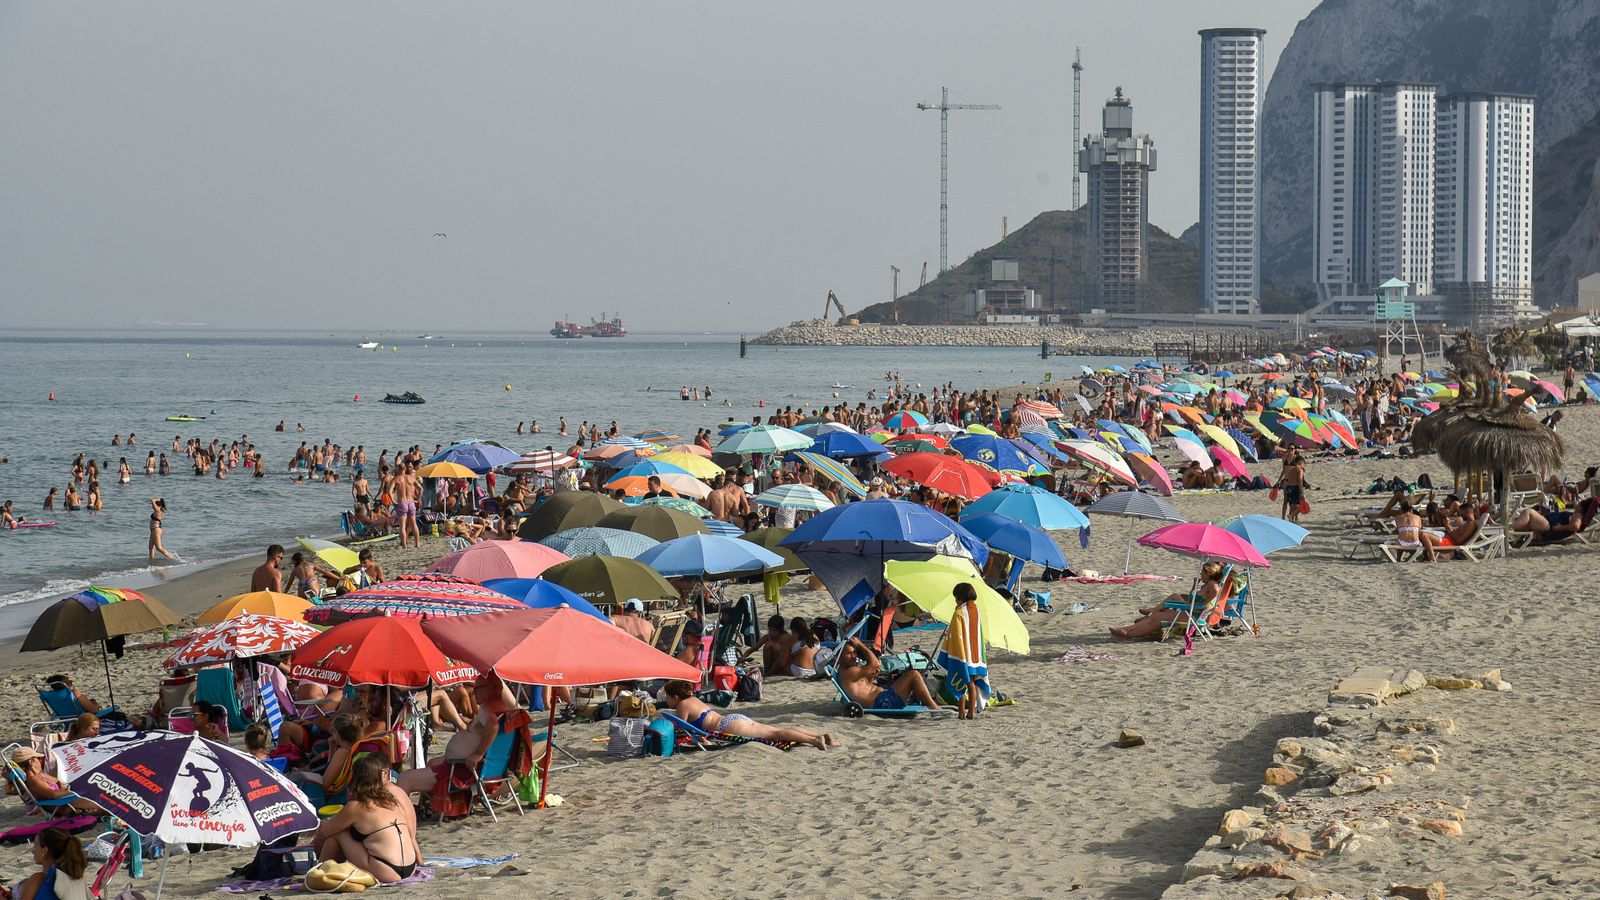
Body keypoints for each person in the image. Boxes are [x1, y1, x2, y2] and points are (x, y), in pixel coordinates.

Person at [313, 756, 421, 883]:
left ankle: (319, 872)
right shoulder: (392, 801)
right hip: (410, 868)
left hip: (386, 871)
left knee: (338, 833)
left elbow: (324, 832)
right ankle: (323, 869)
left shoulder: (356, 807)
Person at [659, 680, 836, 750]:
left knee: (775, 734)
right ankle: (819, 735)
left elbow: (681, 730)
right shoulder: (693, 700)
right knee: (777, 730)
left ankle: (814, 741)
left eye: (667, 697)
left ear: (675, 697)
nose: (666, 700)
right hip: (732, 719)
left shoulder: (682, 705)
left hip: (726, 726)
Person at [1109, 561, 1228, 641]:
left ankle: (1129, 633)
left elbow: (1207, 603)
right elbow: (1197, 599)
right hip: (1190, 612)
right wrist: (1194, 586)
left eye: (1202, 573)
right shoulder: (1208, 584)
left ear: (1208, 573)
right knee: (1156, 616)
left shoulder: (1212, 586)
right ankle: (1127, 630)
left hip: (1194, 615)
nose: (1201, 575)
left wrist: (1191, 605)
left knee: (1158, 618)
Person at [837, 637, 940, 711]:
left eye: (854, 652)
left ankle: (932, 704)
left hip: (882, 699)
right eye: (849, 653)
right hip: (882, 703)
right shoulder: (849, 672)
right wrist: (860, 645)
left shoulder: (847, 672)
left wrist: (872, 677)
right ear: (840, 657)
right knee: (913, 675)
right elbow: (876, 664)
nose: (853, 656)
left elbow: (864, 686)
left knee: (907, 676)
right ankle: (934, 708)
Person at [6, 748, 102, 815]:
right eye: (38, 758)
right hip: (61, 805)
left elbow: (61, 782)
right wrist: (76, 791)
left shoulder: (40, 775)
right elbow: (53, 795)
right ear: (31, 762)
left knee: (98, 793)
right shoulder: (33, 780)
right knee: (102, 803)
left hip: (66, 800)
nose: (40, 761)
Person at [3, 826, 90, 900]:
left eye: (35, 846)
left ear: (45, 850)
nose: (33, 851)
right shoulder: (72, 876)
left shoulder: (39, 878)